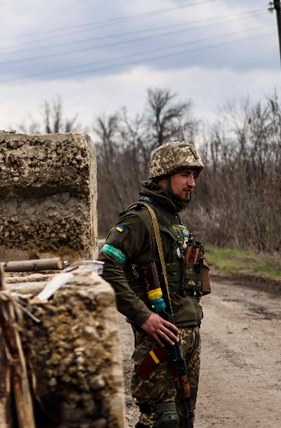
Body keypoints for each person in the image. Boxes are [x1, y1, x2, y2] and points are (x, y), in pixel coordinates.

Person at [100, 140, 209, 428]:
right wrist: (143, 315)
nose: (192, 183)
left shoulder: (174, 220)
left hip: (188, 339)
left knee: (184, 419)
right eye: (185, 174)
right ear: (164, 176)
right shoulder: (140, 218)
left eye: (194, 176)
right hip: (159, 344)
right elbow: (107, 266)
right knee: (163, 420)